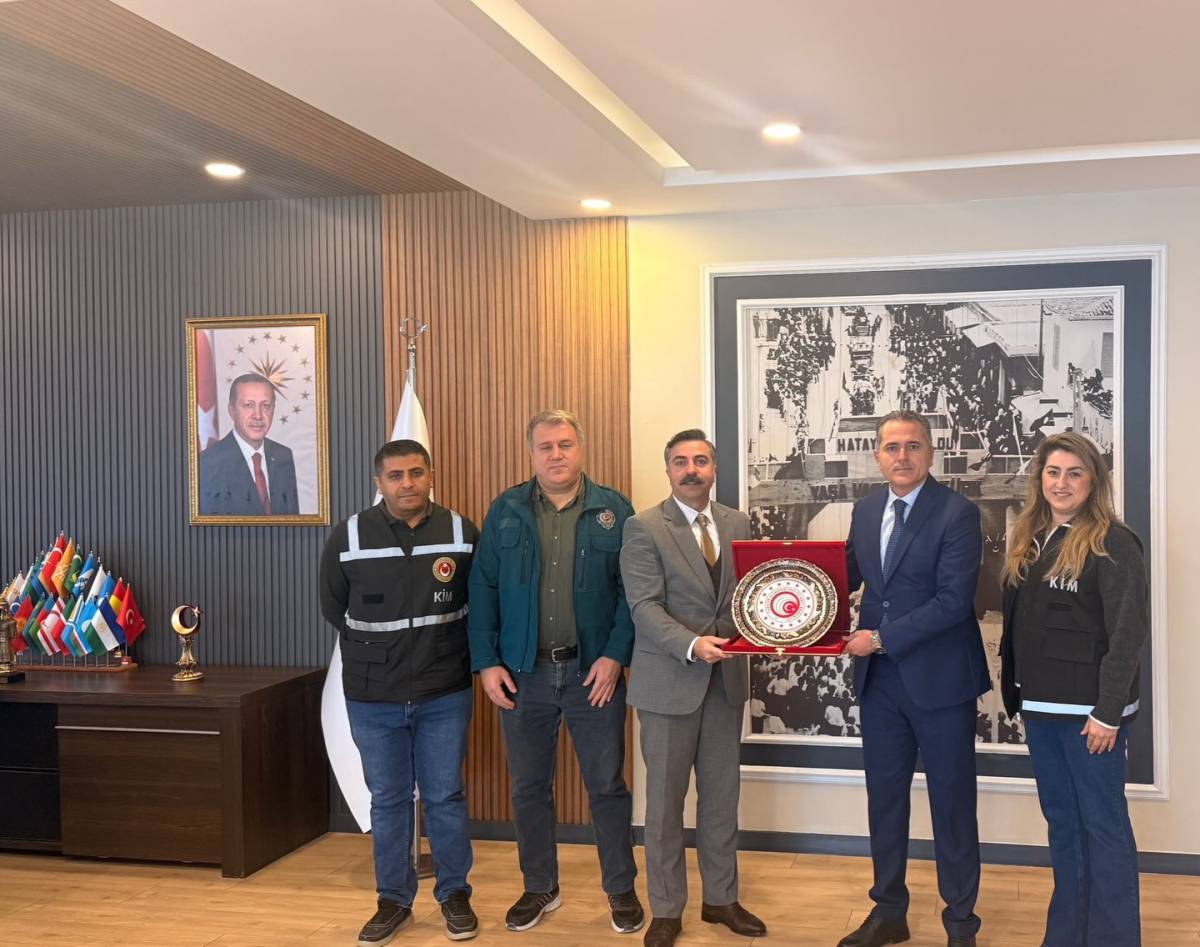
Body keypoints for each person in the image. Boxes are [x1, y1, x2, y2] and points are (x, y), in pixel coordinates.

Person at [467, 409, 643, 935]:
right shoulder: (506, 510)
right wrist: (486, 662)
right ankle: (540, 886)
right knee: (528, 788)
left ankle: (621, 889)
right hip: (524, 675)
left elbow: (633, 592)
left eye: (565, 444)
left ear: (580, 448)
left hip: (594, 675)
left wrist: (615, 656)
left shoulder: (613, 509)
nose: (556, 454)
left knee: (607, 787)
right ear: (532, 453)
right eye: (545, 446)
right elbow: (482, 590)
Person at [319, 439, 479, 944]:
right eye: (395, 475)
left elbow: (478, 604)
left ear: (431, 475)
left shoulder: (461, 532)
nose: (406, 483)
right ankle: (393, 901)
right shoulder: (348, 535)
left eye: (415, 473)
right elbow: (333, 607)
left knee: (445, 796)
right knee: (387, 800)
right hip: (373, 695)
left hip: (443, 689)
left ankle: (454, 895)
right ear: (379, 483)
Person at [841, 409, 989, 947]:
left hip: (941, 682)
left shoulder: (958, 513)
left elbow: (953, 602)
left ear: (930, 452)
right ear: (877, 456)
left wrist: (879, 638)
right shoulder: (865, 510)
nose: (901, 456)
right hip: (880, 685)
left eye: (913, 446)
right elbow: (840, 577)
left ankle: (960, 924)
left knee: (952, 804)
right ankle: (889, 912)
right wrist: (785, 587)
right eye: (891, 447)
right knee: (884, 800)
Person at [620, 429, 766, 947]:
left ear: (714, 469)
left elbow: (749, 596)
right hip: (668, 682)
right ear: (668, 470)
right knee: (664, 805)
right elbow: (643, 607)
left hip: (726, 683)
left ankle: (721, 899)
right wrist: (691, 644)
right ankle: (666, 909)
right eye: (680, 461)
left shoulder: (737, 523)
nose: (691, 469)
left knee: (722, 799)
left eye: (700, 460)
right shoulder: (643, 527)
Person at [999, 432, 1147, 947]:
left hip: (1091, 717)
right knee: (1063, 825)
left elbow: (1128, 633)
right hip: (1041, 708)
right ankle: (1065, 936)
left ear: (1093, 481)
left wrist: (1108, 713)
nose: (1061, 483)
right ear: (1040, 479)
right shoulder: (1031, 537)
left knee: (1103, 828)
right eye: (1053, 472)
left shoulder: (1114, 542)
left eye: (1074, 473)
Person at [198, 373, 299, 515]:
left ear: (273, 410)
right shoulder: (207, 464)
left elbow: (292, 522)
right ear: (232, 411)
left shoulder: (283, 456)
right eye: (248, 405)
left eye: (266, 406)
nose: (258, 415)